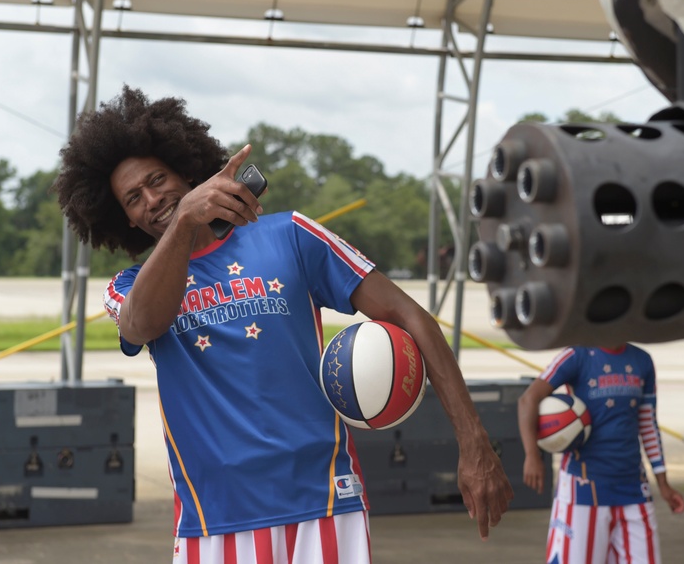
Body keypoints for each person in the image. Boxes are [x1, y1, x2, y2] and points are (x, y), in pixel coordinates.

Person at [52, 85, 513, 563]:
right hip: (214, 519)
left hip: (325, 502)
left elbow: (410, 316)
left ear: (189, 172)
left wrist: (474, 441)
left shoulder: (290, 234)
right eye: (133, 198)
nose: (151, 199)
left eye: (157, 179)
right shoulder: (129, 287)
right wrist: (187, 219)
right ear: (124, 218)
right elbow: (142, 323)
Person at [517, 343, 684, 564]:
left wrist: (663, 482)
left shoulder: (642, 360)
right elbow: (528, 399)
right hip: (583, 488)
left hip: (633, 488)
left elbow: (647, 423)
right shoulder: (576, 356)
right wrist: (532, 454)